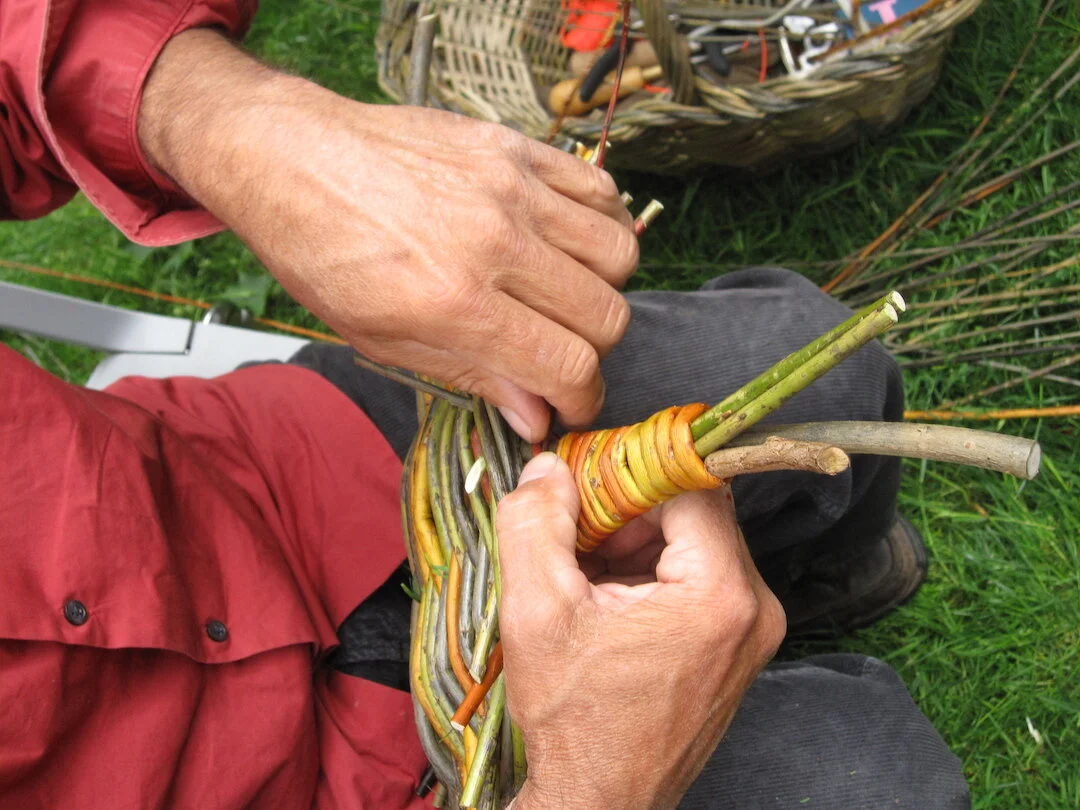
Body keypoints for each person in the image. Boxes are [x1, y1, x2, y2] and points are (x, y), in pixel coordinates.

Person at [0, 5, 970, 808]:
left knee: (817, 366)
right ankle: (730, 648)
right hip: (443, 783)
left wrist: (225, 121)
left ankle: (805, 576)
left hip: (294, 473)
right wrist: (592, 787)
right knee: (879, 779)